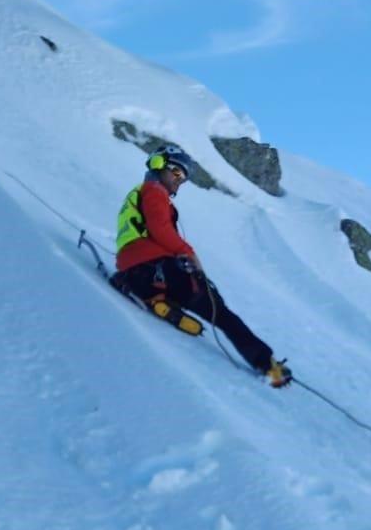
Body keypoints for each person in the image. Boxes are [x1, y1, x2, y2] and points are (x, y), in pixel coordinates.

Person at [114, 145, 290, 388]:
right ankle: (267, 365)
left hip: (135, 272)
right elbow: (160, 230)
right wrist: (189, 254)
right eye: (176, 173)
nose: (179, 182)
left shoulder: (138, 194)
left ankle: (156, 300)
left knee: (183, 292)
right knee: (219, 311)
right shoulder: (154, 191)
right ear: (158, 165)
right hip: (159, 268)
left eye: (183, 178)